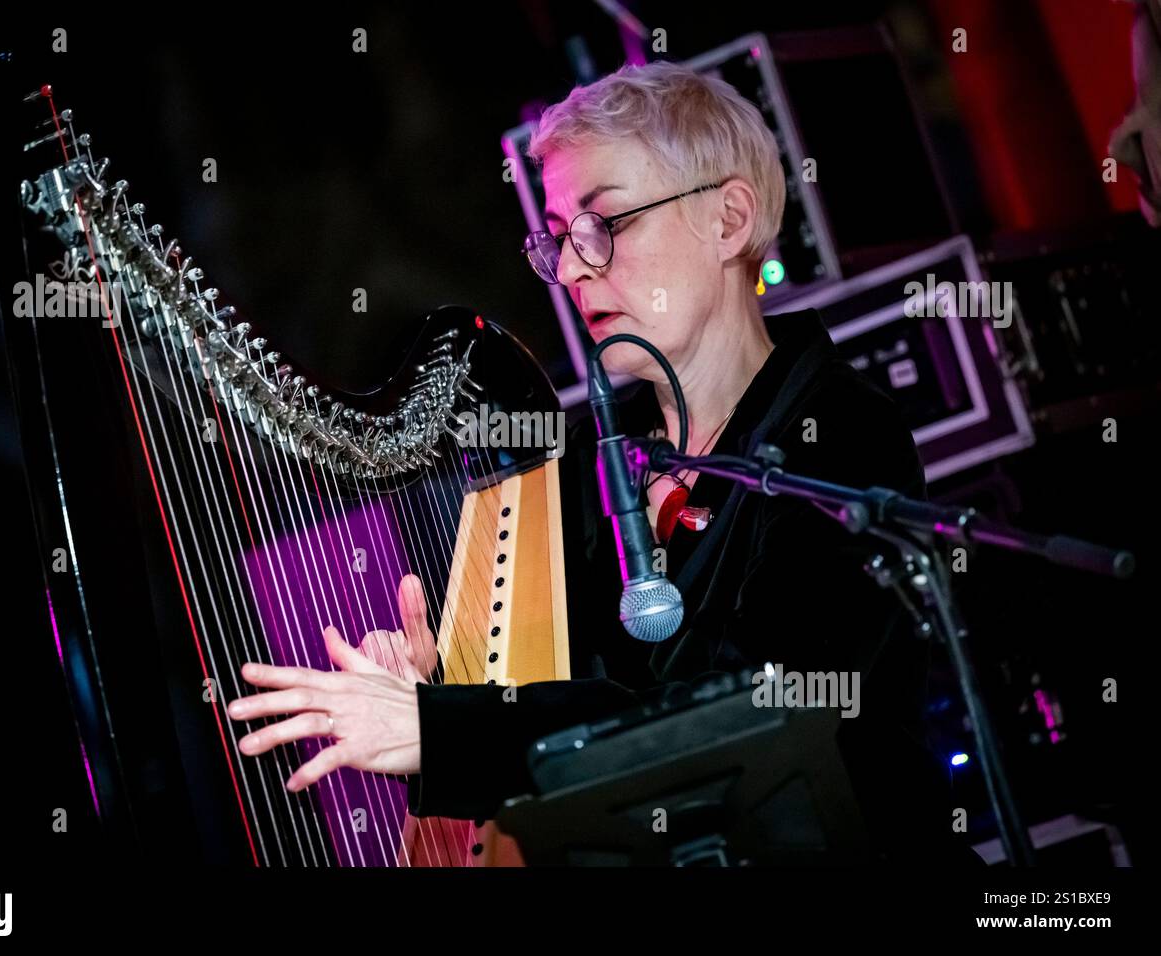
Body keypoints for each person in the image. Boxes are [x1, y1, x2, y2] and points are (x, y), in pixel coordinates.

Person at [227, 60, 975, 864]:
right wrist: (441, 689)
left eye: (605, 224)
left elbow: (735, 722)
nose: (577, 267)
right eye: (558, 239)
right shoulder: (584, 466)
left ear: (728, 221)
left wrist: (442, 730)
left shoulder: (842, 434)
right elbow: (576, 741)